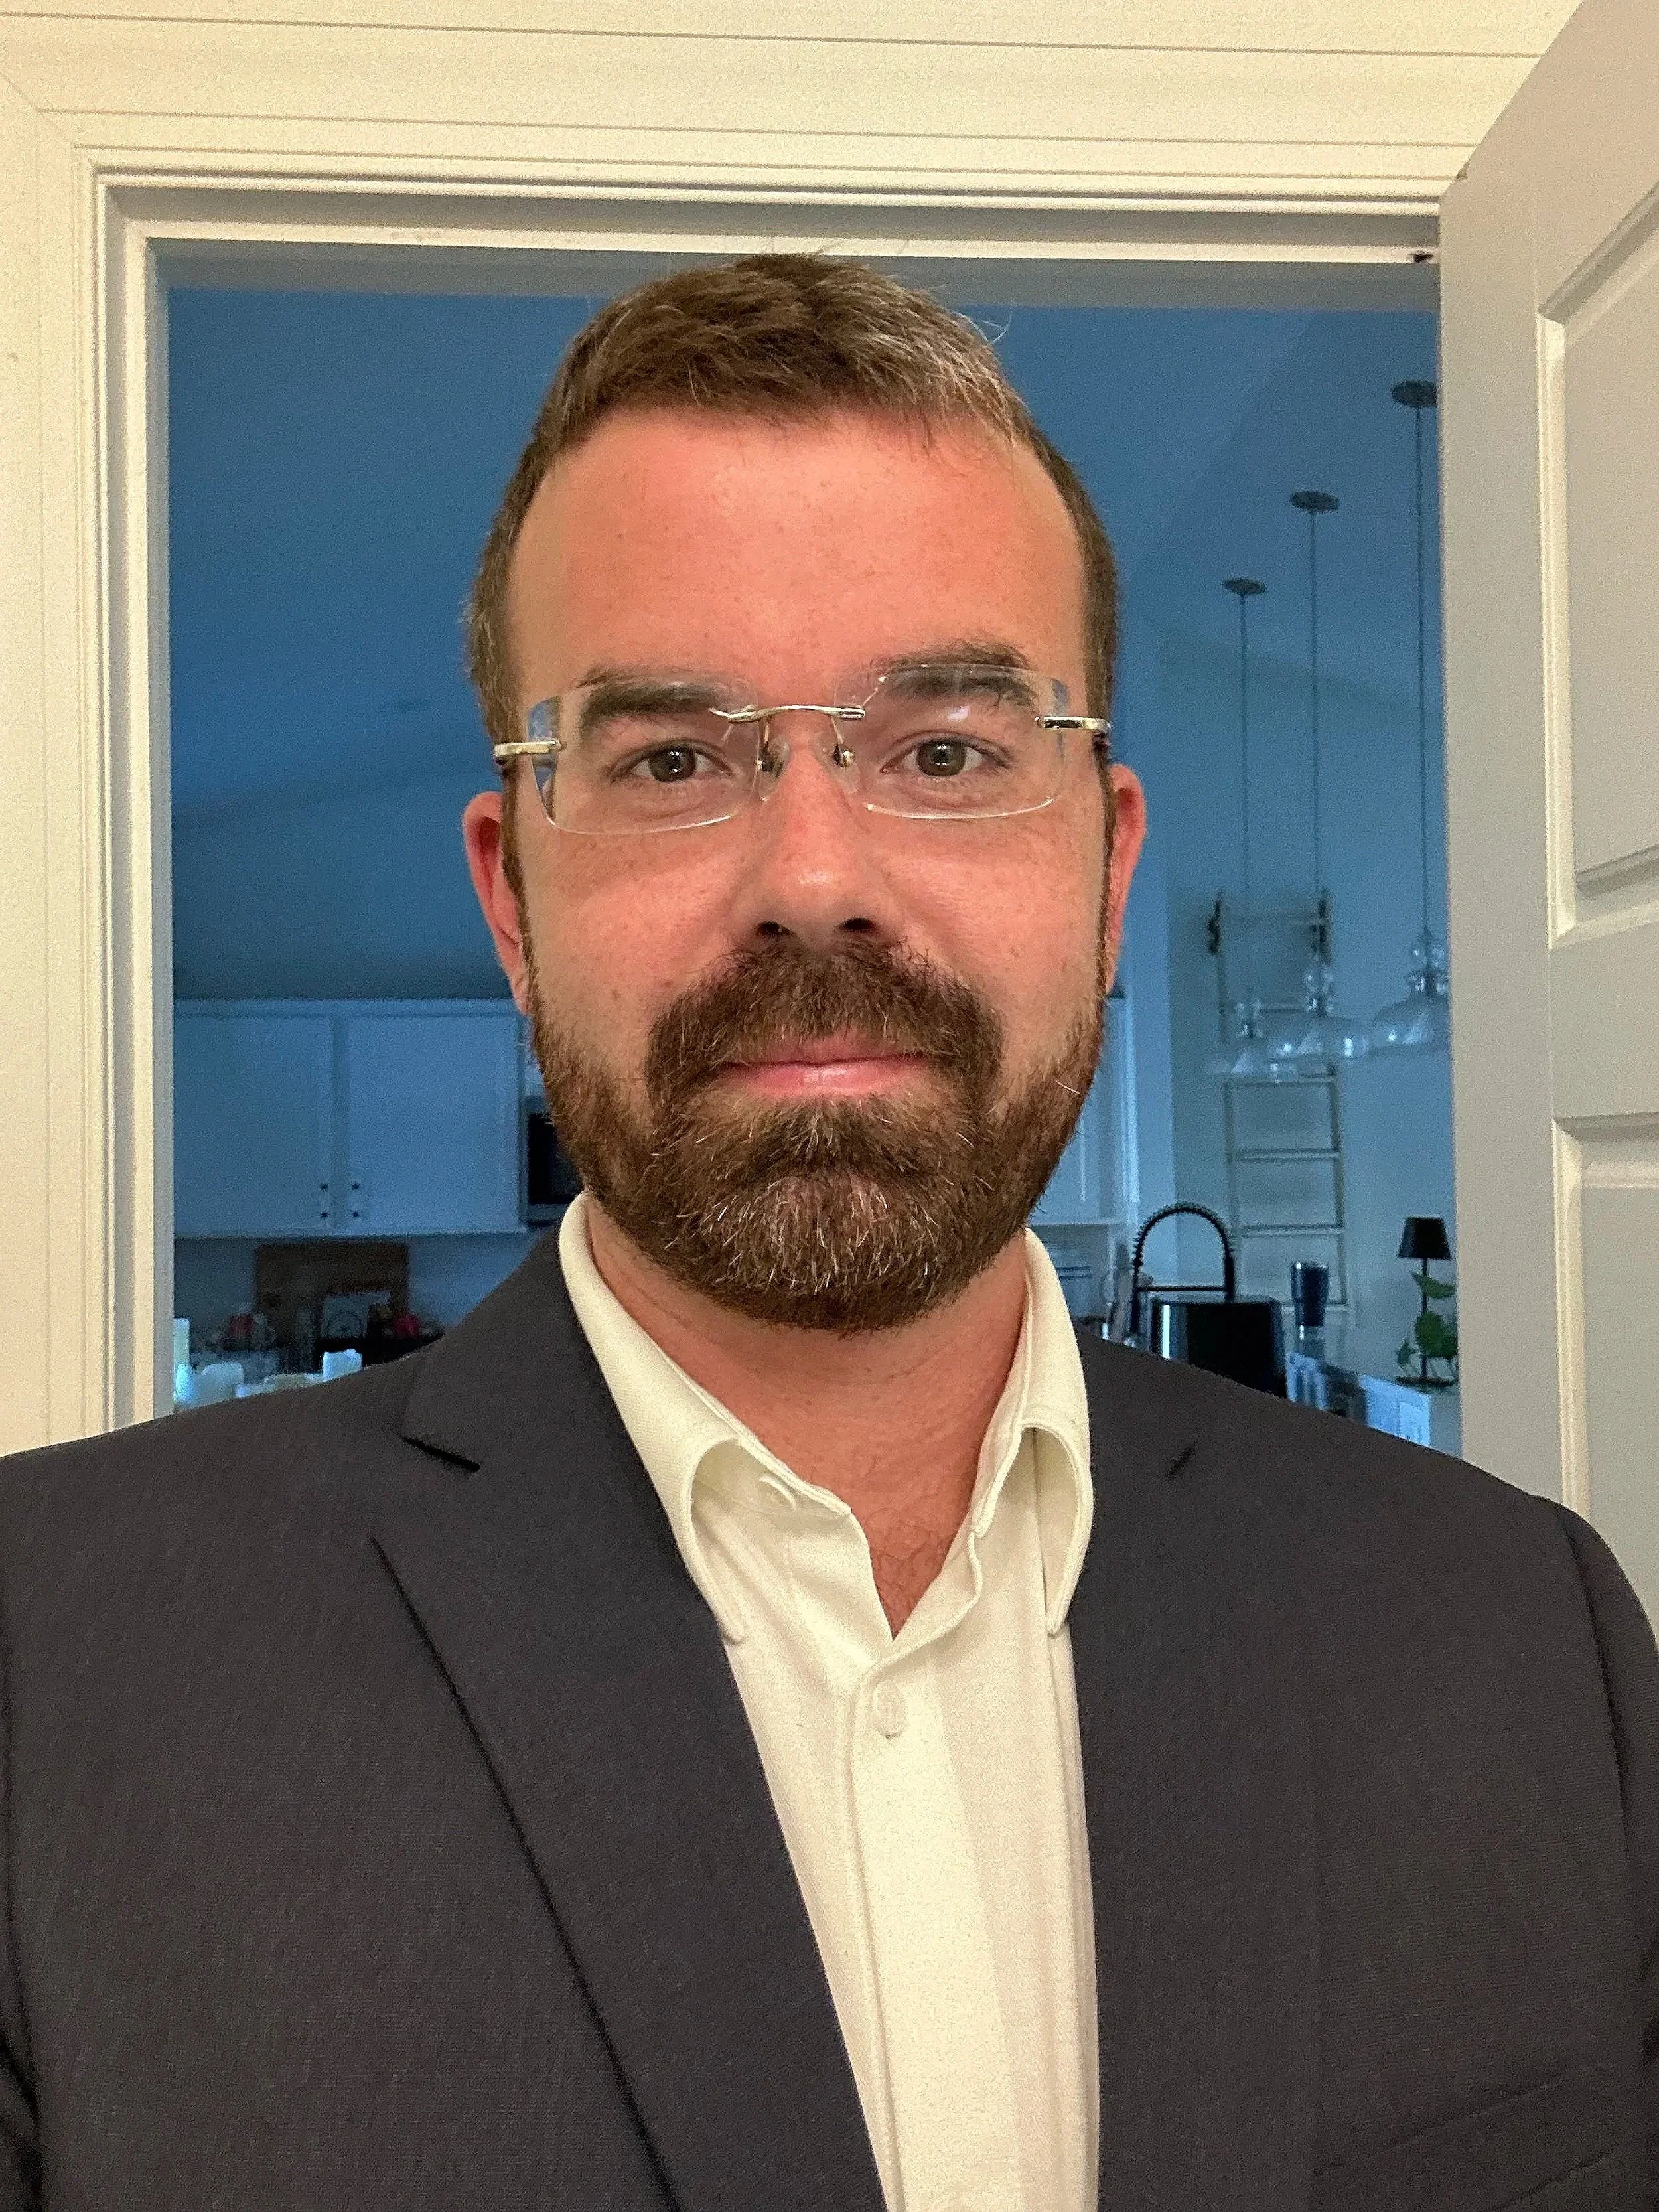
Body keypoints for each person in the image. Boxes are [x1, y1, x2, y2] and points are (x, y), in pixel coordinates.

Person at [1, 255, 1654, 2212]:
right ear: (512, 895)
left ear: (1107, 866)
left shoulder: (1521, 1635)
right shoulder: (56, 1661)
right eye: (672, 757)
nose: (811, 878)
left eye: (945, 747)